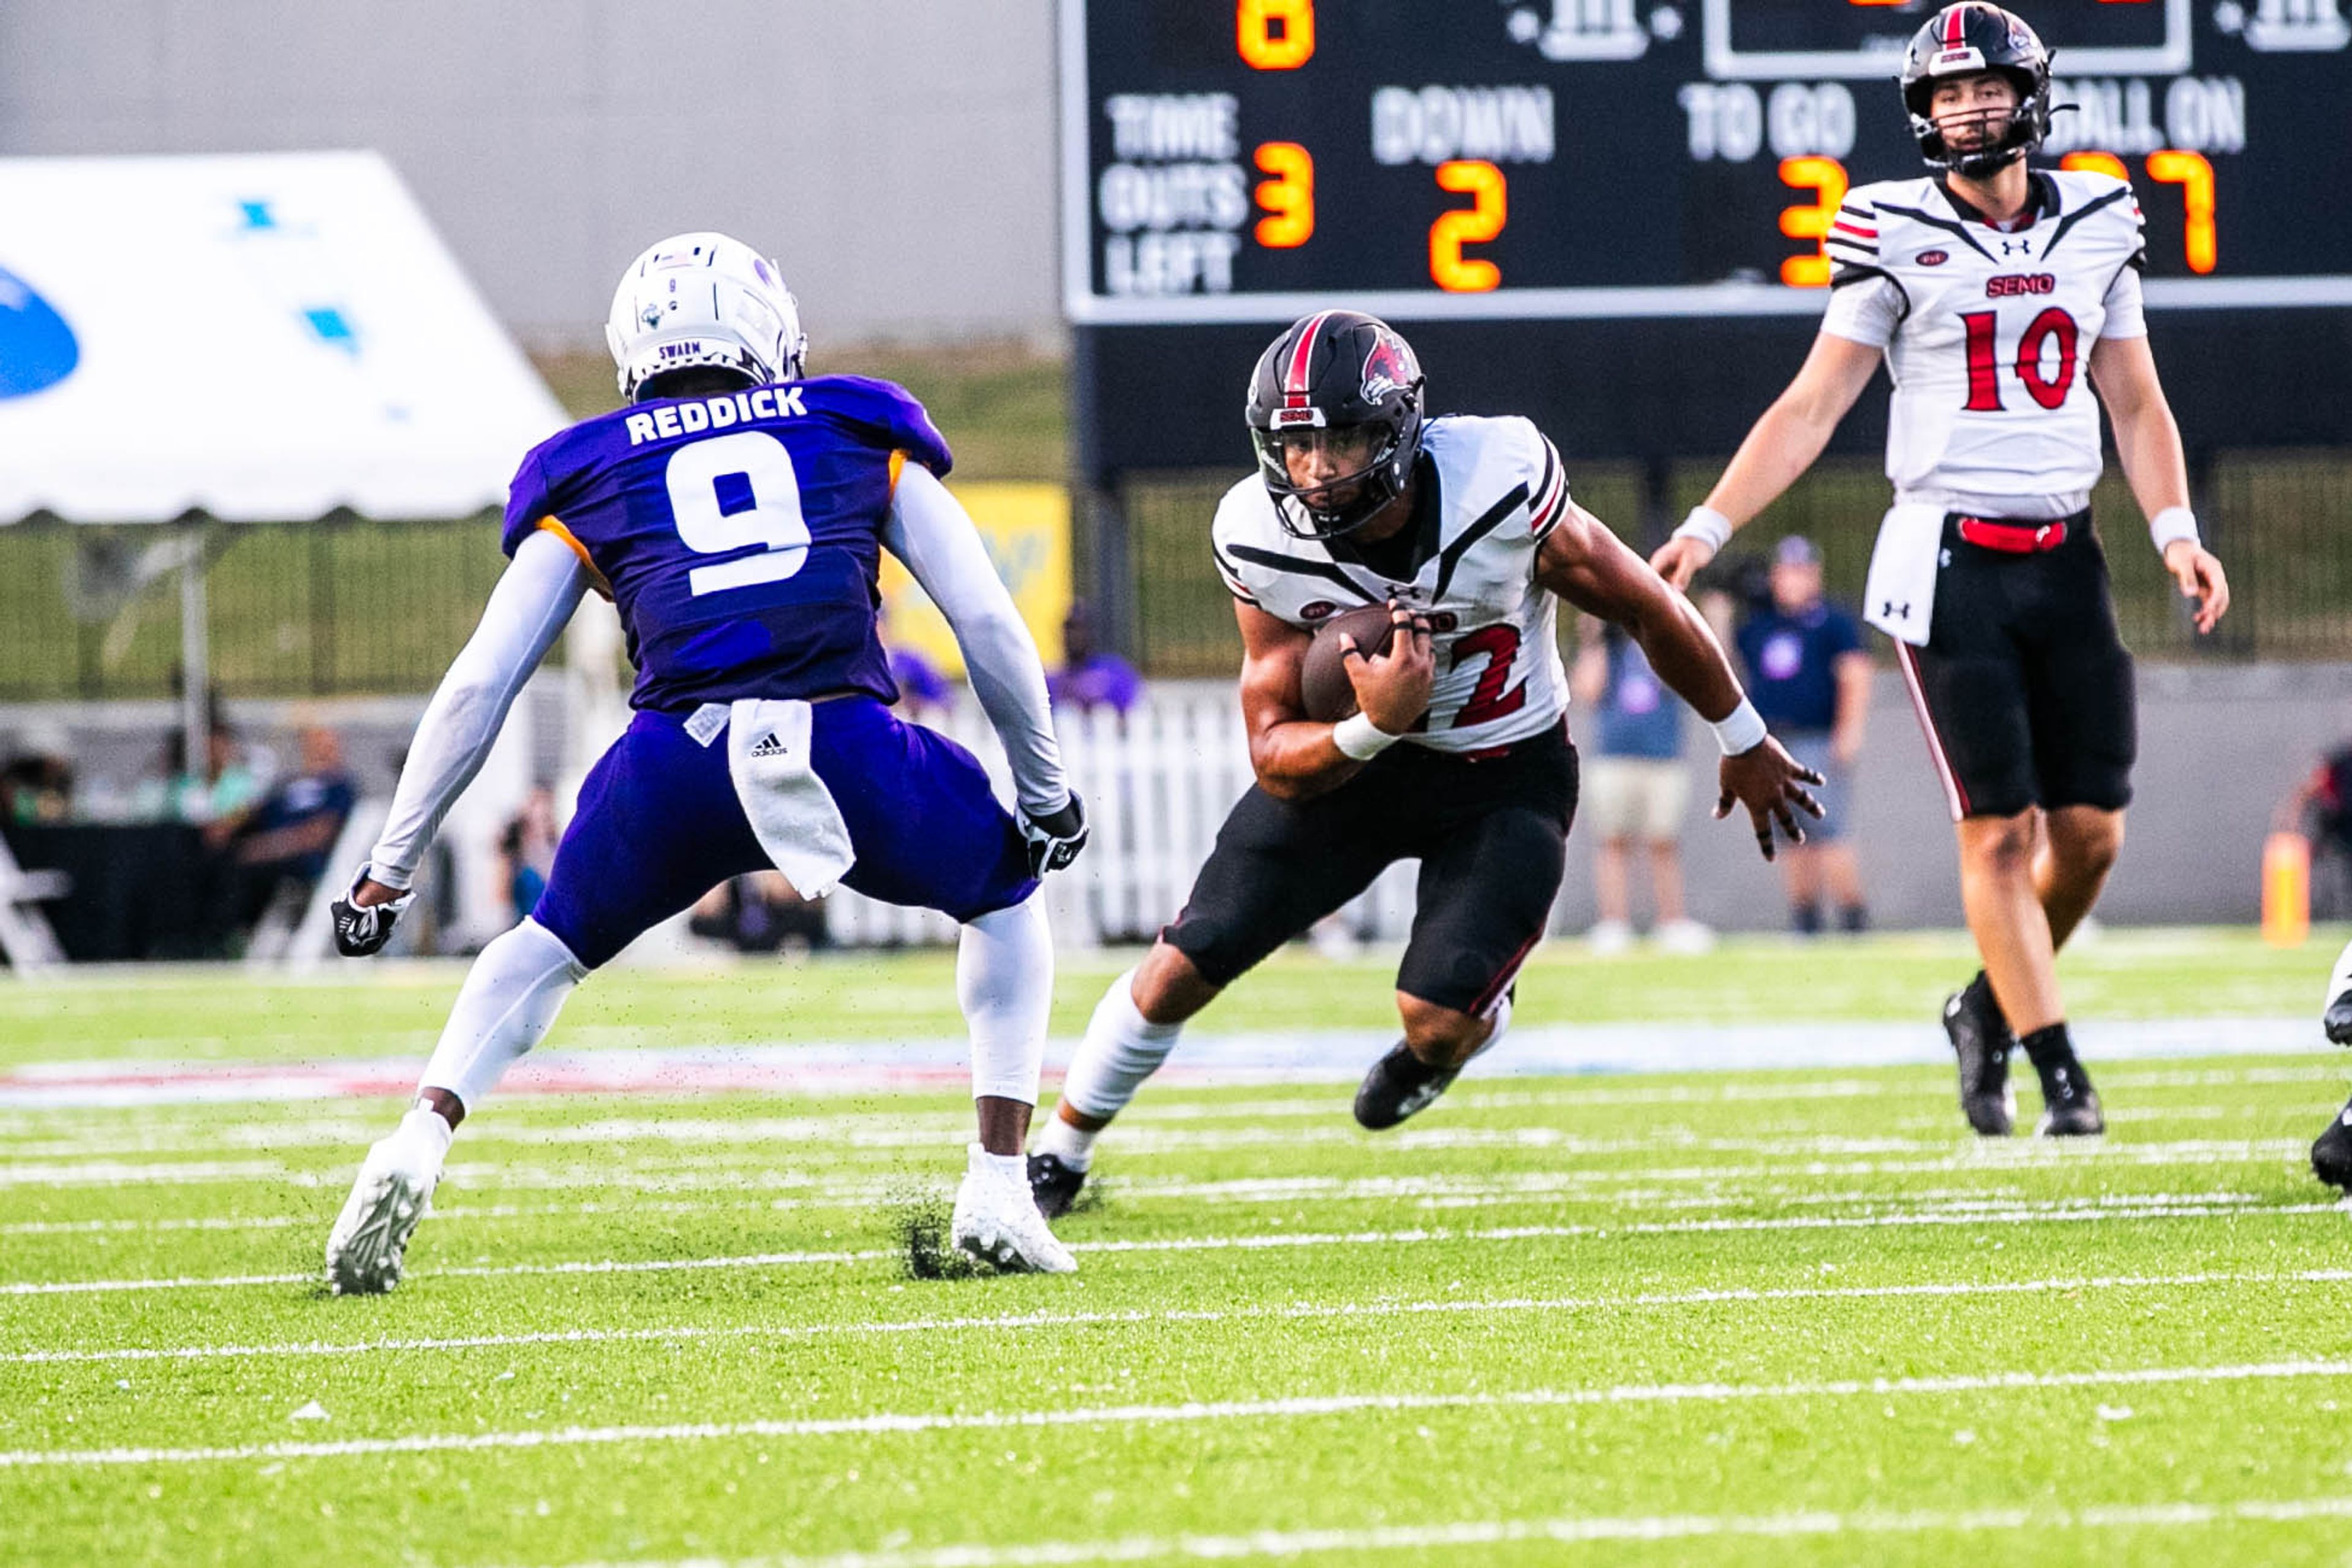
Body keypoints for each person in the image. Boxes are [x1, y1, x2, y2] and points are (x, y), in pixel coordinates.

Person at [322, 232, 1090, 1291]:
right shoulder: (855, 423)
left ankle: (421, 1131)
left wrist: (390, 868)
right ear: (769, 332)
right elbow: (990, 624)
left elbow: (480, 683)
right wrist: (1045, 792)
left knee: (544, 946)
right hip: (842, 745)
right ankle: (999, 1186)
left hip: (674, 762)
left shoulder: (588, 465)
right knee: (1008, 894)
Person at [1027, 310, 1820, 1216]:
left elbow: (1646, 607)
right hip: (1355, 774)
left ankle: (1451, 1039)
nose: (1318, 469)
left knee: (1439, 1022)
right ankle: (1059, 1158)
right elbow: (1275, 752)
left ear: (1400, 429)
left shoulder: (1501, 480)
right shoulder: (1257, 534)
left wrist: (1743, 735)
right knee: (1183, 959)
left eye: (1344, 440)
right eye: (1297, 445)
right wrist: (1374, 726)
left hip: (1503, 770)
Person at [1651, 4, 2229, 1139]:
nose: (1965, 108)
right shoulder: (1886, 226)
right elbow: (1814, 404)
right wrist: (1713, 526)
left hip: (2070, 553)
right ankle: (2060, 1070)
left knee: (2093, 835)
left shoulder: (2105, 214)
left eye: (1983, 87)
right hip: (1948, 556)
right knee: (2000, 832)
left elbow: (2135, 397)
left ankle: (1985, 1007)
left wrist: (2175, 525)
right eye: (1944, 93)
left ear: (2030, 95)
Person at [1735, 536, 1872, 934]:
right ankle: (1805, 918)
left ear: (1815, 576)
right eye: (1786, 572)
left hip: (1816, 737)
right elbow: (1724, 659)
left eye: (1801, 572)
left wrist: (1849, 732)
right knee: (1789, 833)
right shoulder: (1762, 623)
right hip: (1770, 743)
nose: (1793, 581)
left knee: (1828, 830)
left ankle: (1852, 917)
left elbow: (1855, 675)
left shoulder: (1832, 622)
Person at [1569, 617, 1712, 955]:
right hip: (1614, 756)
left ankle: (1672, 921)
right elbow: (1588, 690)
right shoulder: (1610, 649)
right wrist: (1593, 636)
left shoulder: (1662, 645)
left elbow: (1692, 680)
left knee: (1664, 842)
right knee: (1612, 842)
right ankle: (1614, 922)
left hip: (1663, 757)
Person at [1048, 601, 1144, 715]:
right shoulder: (1053, 680)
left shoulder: (1116, 673)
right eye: (1069, 629)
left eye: (1080, 628)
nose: (1074, 636)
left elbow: (1133, 711)